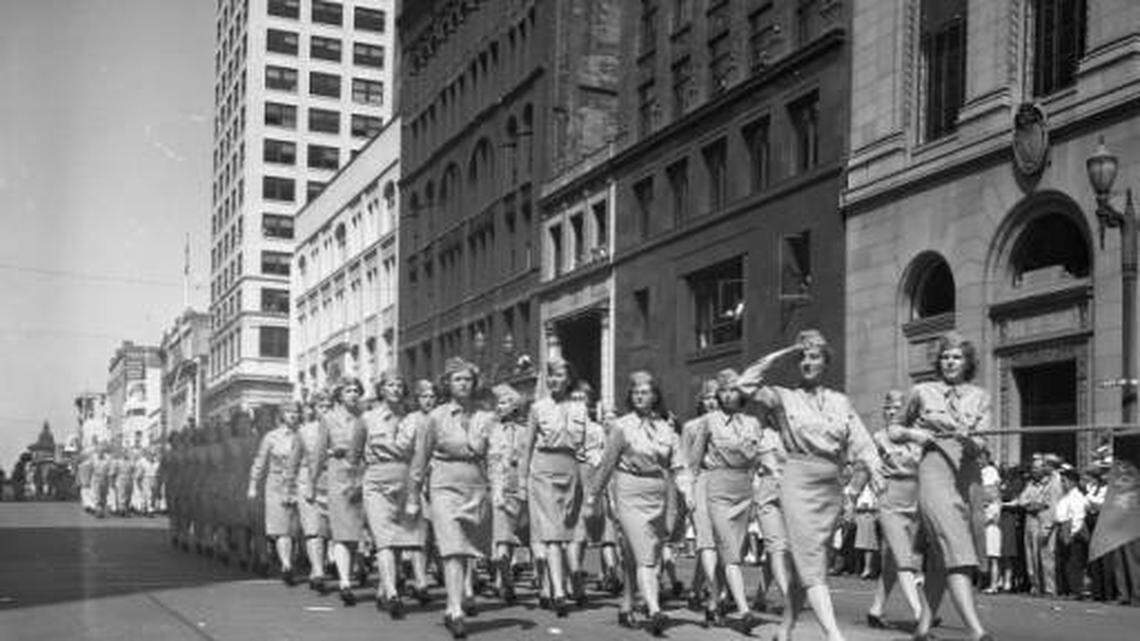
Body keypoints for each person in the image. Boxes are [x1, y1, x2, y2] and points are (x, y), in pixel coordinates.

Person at [736, 329, 882, 641]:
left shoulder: (840, 401)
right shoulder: (782, 396)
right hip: (797, 481)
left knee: (809, 565)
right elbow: (744, 384)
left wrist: (860, 484)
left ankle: (785, 629)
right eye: (802, 357)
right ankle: (834, 635)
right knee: (811, 562)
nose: (807, 362)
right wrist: (785, 352)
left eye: (813, 356)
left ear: (825, 362)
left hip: (830, 485)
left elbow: (863, 445)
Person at [890, 332, 992, 641]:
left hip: (967, 475)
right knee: (957, 549)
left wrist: (970, 440)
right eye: (946, 356)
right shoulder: (922, 391)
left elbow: (982, 443)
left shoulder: (980, 396)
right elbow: (894, 429)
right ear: (939, 361)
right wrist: (915, 436)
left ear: (967, 362)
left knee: (938, 556)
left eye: (957, 357)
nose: (950, 361)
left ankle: (922, 629)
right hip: (934, 470)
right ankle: (976, 631)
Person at [586, 370, 684, 636]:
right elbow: (607, 465)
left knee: (637, 553)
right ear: (630, 396)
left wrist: (687, 495)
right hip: (629, 489)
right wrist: (593, 495)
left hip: (658, 492)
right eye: (636, 392)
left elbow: (677, 467)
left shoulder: (666, 427)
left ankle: (627, 604)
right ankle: (653, 609)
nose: (640, 396)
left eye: (645, 392)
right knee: (645, 555)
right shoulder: (622, 426)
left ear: (655, 396)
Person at [408, 357, 494, 640]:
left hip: (475, 486)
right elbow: (420, 459)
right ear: (447, 383)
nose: (463, 384)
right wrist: (412, 495)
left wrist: (500, 487)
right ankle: (455, 609)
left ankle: (453, 603)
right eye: (457, 379)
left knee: (468, 548)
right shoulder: (436, 417)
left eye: (468, 379)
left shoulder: (485, 415)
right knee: (452, 548)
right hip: (444, 485)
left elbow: (496, 457)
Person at [687, 368, 776, 633]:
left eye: (733, 390)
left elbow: (762, 455)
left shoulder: (752, 424)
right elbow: (692, 463)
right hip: (716, 487)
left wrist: (776, 474)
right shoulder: (708, 422)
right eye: (723, 390)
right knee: (729, 551)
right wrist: (690, 493)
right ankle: (744, 610)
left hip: (743, 490)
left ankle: (713, 602)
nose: (727, 395)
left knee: (731, 552)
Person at [356, 372, 427, 619]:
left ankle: (383, 589)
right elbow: (355, 454)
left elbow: (419, 456)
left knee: (398, 539)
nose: (395, 389)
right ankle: (393, 592)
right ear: (381, 389)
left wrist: (417, 490)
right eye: (390, 385)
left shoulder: (413, 420)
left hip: (405, 478)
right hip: (376, 479)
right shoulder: (367, 418)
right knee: (384, 538)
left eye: (399, 385)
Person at [518, 357, 586, 617]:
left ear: (568, 379)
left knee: (566, 532)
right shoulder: (537, 408)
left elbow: (584, 448)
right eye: (551, 376)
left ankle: (558, 584)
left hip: (570, 472)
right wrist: (522, 483)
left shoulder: (581, 408)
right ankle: (559, 591)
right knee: (552, 534)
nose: (554, 380)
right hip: (543, 471)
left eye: (559, 376)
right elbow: (526, 448)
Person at [866, 390, 927, 629]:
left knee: (892, 561)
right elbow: (867, 466)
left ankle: (876, 609)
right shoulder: (879, 437)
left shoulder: (917, 437)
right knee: (904, 558)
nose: (892, 412)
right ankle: (920, 613)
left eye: (898, 407)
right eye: (889, 407)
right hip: (890, 500)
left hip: (914, 501)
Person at [312, 378, 368, 606]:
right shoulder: (329, 419)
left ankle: (349, 572)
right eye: (348, 391)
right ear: (339, 394)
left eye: (356, 391)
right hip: (337, 476)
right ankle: (345, 582)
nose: (353, 394)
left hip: (363, 475)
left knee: (354, 534)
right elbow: (318, 451)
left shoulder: (365, 418)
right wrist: (314, 480)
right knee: (342, 532)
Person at [569, 381, 622, 603]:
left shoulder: (598, 430)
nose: (580, 403)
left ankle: (606, 570)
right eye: (575, 399)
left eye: (583, 399)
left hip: (593, 483)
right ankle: (576, 583)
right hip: (572, 483)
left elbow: (605, 460)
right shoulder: (563, 428)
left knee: (594, 532)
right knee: (576, 535)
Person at [247, 401, 301, 585]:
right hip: (276, 484)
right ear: (282, 415)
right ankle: (286, 565)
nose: (293, 415)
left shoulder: (303, 434)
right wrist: (253, 485)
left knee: (295, 527)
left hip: (298, 483)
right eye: (289, 412)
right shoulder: (271, 437)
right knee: (281, 527)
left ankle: (290, 558)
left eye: (296, 412)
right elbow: (259, 462)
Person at [487, 383, 528, 604]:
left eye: (504, 403)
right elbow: (488, 460)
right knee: (502, 533)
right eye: (499, 403)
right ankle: (505, 578)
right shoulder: (492, 430)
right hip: (498, 485)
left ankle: (502, 579)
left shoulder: (524, 431)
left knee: (512, 535)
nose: (499, 407)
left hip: (518, 486)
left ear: (514, 407)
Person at [293, 393, 332, 592]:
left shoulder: (339, 429)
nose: (325, 409)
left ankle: (329, 564)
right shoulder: (304, 431)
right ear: (314, 409)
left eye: (328, 405)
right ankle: (317, 570)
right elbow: (294, 460)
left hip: (333, 480)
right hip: (308, 480)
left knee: (330, 530)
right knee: (313, 528)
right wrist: (289, 487)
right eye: (321, 406)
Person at [1055, 467, 1089, 598]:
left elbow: (1078, 516)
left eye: (1064, 481)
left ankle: (1076, 590)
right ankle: (1067, 589)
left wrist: (1072, 533)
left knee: (1074, 562)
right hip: (1063, 527)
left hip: (1071, 530)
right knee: (1065, 561)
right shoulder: (1066, 496)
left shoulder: (1077, 496)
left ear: (1072, 482)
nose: (1062, 484)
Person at [980, 449, 1002, 593]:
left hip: (991, 528)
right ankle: (984, 583)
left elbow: (992, 517)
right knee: (983, 557)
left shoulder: (990, 471)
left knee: (993, 558)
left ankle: (994, 584)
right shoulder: (981, 471)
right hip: (983, 528)